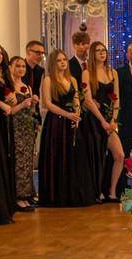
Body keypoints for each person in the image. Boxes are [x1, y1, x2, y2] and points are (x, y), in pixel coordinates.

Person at [37, 50, 97, 207]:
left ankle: (74, 194)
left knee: (74, 157)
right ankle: (58, 196)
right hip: (56, 124)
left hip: (72, 122)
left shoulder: (73, 80)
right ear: (53, 63)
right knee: (57, 156)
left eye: (64, 59)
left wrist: (76, 115)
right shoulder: (48, 80)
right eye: (59, 60)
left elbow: (76, 100)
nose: (63, 62)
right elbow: (47, 104)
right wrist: (67, 114)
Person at [83, 41, 124, 201]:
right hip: (94, 119)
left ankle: (112, 192)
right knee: (97, 157)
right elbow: (88, 100)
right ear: (93, 54)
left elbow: (117, 98)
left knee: (119, 155)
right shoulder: (87, 73)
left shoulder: (113, 72)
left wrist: (113, 119)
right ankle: (97, 191)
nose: (102, 53)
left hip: (110, 120)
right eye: (98, 50)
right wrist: (102, 120)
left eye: (104, 50)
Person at [7, 56, 40, 210]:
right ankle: (18, 196)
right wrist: (22, 105)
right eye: (17, 66)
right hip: (15, 127)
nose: (21, 69)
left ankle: (27, 194)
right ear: (10, 67)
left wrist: (33, 103)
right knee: (19, 162)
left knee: (28, 162)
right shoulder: (9, 87)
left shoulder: (27, 86)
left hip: (27, 127)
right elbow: (10, 111)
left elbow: (31, 110)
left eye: (23, 66)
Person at [0, 46, 16, 223]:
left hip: (4, 122)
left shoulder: (4, 74)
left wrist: (11, 99)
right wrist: (1, 104)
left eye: (0, 53)